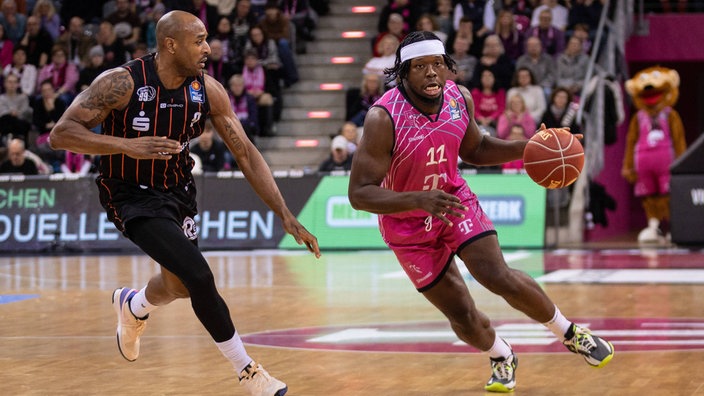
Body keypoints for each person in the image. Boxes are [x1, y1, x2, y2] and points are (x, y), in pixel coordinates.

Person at [49, 11, 320, 396]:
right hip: (128, 193)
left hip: (177, 191)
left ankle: (134, 305)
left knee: (178, 285)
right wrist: (128, 146)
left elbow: (245, 153)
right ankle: (248, 371)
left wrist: (284, 213)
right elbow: (61, 135)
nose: (209, 48)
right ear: (170, 44)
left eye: (207, 39)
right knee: (199, 276)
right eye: (199, 40)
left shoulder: (207, 90)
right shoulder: (122, 83)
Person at [347, 31, 614, 393]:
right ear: (404, 72)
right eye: (421, 67)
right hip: (407, 225)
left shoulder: (460, 98)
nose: (431, 74)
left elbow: (476, 149)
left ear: (448, 68)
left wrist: (529, 147)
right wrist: (417, 199)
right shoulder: (383, 118)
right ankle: (501, 354)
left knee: (496, 274)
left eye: (438, 65)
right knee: (462, 314)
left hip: (453, 201)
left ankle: (568, 332)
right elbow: (359, 194)